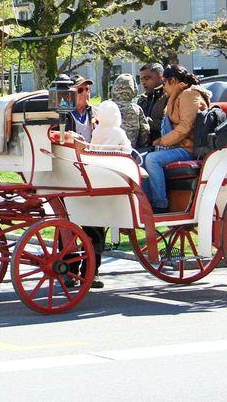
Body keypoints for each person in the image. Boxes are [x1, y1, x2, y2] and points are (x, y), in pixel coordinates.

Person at [142, 64, 210, 214]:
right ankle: (146, 202)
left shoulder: (189, 95)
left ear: (172, 81)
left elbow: (186, 126)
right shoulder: (176, 96)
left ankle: (160, 204)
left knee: (152, 160)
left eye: (164, 81)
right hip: (178, 146)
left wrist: (162, 141)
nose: (163, 85)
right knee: (142, 158)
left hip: (188, 148)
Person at [60, 75, 106, 289]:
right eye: (80, 90)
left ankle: (92, 272)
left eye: (87, 90)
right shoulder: (62, 115)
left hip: (94, 170)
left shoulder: (95, 114)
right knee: (67, 226)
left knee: (95, 224)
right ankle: (69, 271)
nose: (86, 94)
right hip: (69, 171)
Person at [110, 73, 150, 149]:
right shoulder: (136, 109)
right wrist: (143, 144)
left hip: (110, 151)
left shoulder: (108, 106)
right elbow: (145, 130)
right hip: (130, 151)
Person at [136, 62, 168, 149]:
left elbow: (169, 125)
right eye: (141, 79)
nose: (143, 82)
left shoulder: (168, 97)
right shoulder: (141, 100)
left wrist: (146, 122)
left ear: (161, 77)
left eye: (147, 78)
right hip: (142, 146)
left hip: (160, 146)